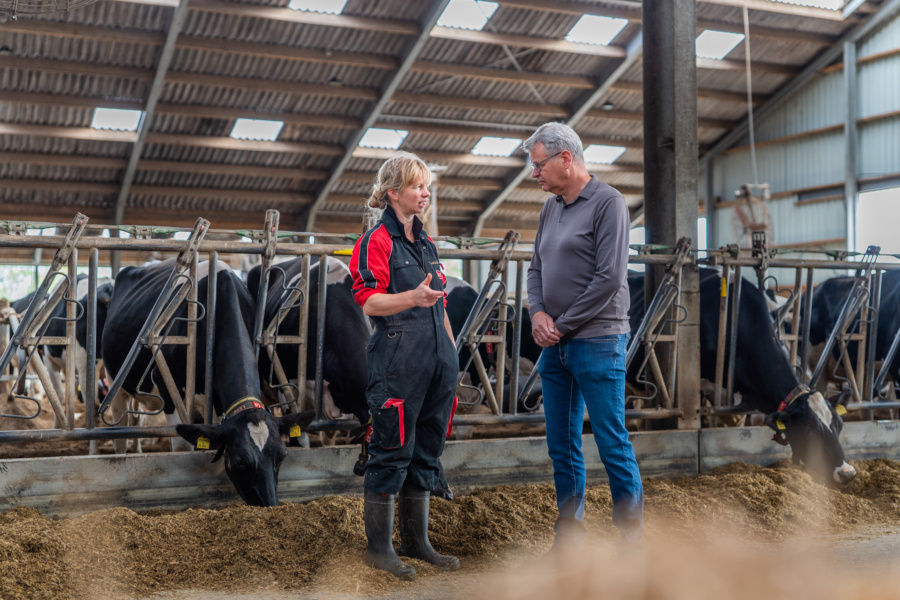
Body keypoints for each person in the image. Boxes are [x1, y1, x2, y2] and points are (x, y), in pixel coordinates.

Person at [525, 122, 643, 547]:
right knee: (561, 444)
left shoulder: (608, 203)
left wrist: (560, 325)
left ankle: (630, 542)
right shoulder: (551, 208)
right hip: (555, 344)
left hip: (597, 340)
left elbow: (609, 277)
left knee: (611, 441)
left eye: (539, 165)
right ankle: (570, 538)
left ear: (565, 159)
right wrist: (537, 313)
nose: (534, 173)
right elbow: (535, 268)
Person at [349, 151, 460, 580]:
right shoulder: (375, 241)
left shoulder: (426, 244)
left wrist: (451, 353)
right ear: (393, 192)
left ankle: (418, 543)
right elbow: (369, 301)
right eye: (417, 186)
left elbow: (440, 304)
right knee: (391, 451)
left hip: (436, 359)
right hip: (397, 360)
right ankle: (379, 550)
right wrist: (412, 297)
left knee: (426, 452)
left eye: (426, 185)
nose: (425, 193)